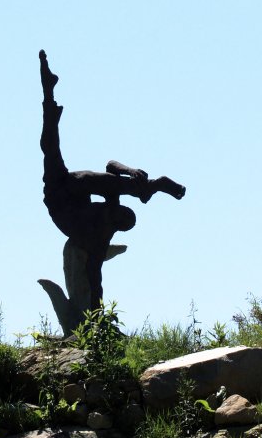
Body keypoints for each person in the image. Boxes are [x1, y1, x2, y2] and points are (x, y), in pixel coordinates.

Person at [39, 50, 185, 321]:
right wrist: (129, 170)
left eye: (119, 215)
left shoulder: (101, 235)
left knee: (49, 146)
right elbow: (110, 166)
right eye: (123, 211)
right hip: (74, 188)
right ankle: (149, 187)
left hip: (60, 203)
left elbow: (96, 277)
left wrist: (97, 315)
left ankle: (48, 94)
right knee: (103, 180)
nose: (117, 211)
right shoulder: (111, 202)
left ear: (116, 223)